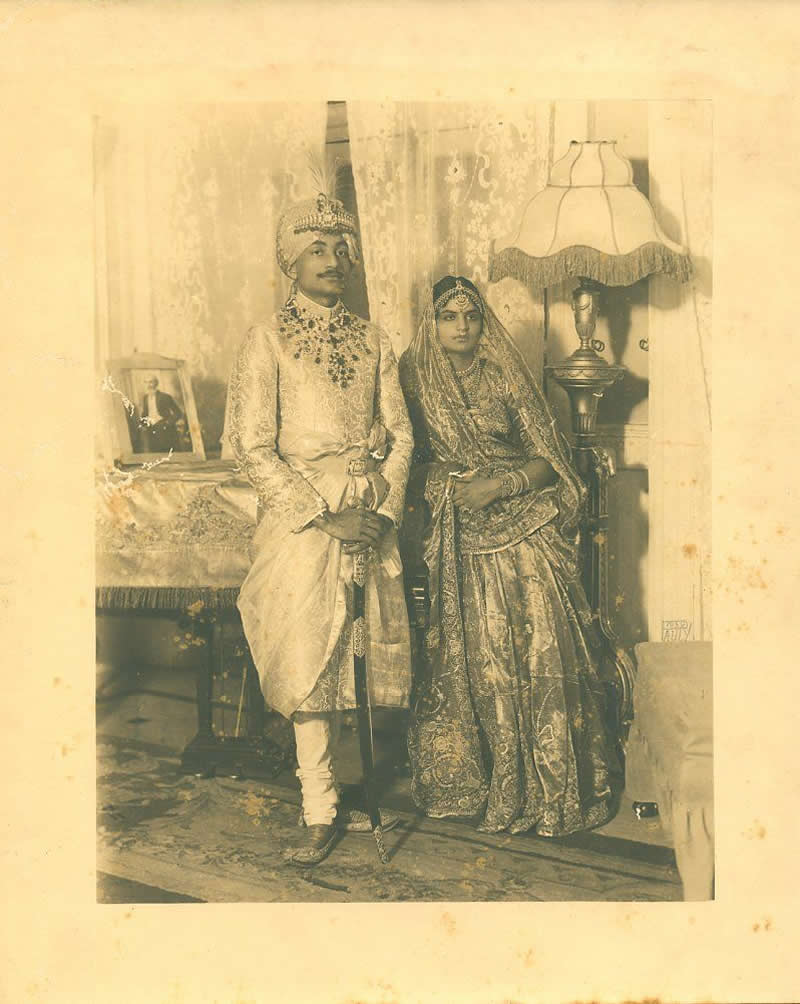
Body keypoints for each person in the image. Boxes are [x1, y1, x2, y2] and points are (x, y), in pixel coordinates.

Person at [228, 192, 413, 865]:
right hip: (304, 522)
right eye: (316, 250)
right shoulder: (267, 339)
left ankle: (345, 795)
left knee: (349, 660)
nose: (332, 260)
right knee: (308, 662)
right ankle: (318, 809)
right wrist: (326, 517)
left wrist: (380, 510)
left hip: (367, 515)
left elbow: (401, 434)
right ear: (291, 263)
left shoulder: (374, 340)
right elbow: (251, 447)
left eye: (340, 249)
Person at [398, 275, 618, 837]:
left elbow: (549, 459)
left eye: (471, 315)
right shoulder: (413, 379)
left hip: (522, 518)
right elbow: (403, 458)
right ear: (432, 323)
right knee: (483, 655)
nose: (462, 326)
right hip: (457, 529)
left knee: (539, 631)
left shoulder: (502, 375)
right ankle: (493, 780)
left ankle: (550, 785)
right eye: (449, 316)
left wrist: (500, 486)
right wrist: (446, 481)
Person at [139, 375, 185, 453]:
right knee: (155, 454)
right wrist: (142, 424)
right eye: (146, 382)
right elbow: (145, 413)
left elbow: (178, 412)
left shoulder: (165, 397)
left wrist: (168, 423)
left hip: (164, 429)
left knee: (168, 453)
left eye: (151, 382)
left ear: (156, 383)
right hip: (151, 429)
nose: (148, 385)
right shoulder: (145, 398)